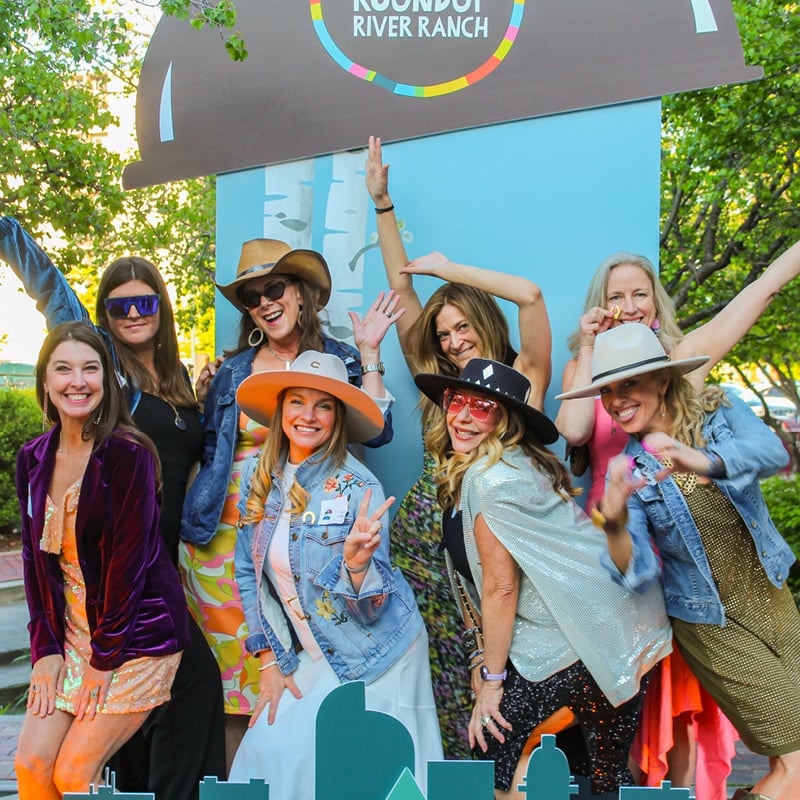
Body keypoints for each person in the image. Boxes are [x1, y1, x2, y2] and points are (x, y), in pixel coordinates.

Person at [555, 243, 800, 795]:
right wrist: (614, 522)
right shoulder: (631, 468)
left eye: (629, 384)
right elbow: (637, 571)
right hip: (710, 621)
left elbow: (771, 452)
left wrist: (701, 461)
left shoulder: (716, 408)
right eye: (607, 390)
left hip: (771, 598)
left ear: (663, 380)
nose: (616, 401)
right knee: (792, 765)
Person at [0, 216, 226, 798]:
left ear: (162, 308)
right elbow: (54, 296)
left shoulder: (177, 381)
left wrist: (207, 399)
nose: (133, 314)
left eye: (144, 302)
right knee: (168, 704)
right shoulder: (107, 374)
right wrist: (7, 234)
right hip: (108, 573)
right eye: (118, 306)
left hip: (162, 566)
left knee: (184, 697)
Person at [366, 135, 552, 757]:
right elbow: (404, 295)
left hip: (491, 569)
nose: (451, 341)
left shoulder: (522, 380)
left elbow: (531, 296)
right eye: (443, 333)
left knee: (504, 704)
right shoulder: (440, 387)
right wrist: (383, 205)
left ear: (482, 321)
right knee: (445, 713)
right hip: (425, 564)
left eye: (462, 326)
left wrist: (449, 272)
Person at [180, 237, 397, 765]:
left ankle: (299, 783)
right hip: (226, 540)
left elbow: (380, 432)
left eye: (274, 288)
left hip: (310, 538)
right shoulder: (234, 370)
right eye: (252, 297)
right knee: (240, 684)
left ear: (301, 293)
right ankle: (243, 788)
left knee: (307, 674)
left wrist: (370, 356)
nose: (265, 303)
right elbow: (208, 450)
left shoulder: (339, 359)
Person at [415, 357, 670, 798]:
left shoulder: (489, 480)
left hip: (584, 640)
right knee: (600, 776)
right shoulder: (508, 465)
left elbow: (501, 588)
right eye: (457, 401)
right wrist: (481, 659)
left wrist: (492, 682)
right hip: (620, 626)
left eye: (482, 408)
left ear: (506, 421)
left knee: (496, 747)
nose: (463, 416)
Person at [227, 351, 443, 796]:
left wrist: (358, 566)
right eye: (297, 401)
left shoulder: (359, 487)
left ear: (338, 417)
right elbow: (248, 570)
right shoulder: (257, 474)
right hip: (315, 649)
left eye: (323, 405)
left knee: (378, 779)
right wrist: (268, 659)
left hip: (377, 651)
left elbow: (371, 610)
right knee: (265, 755)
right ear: (281, 408)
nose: (308, 416)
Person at [14, 322, 191, 799]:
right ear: (45, 380)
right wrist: (45, 650)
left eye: (90, 369)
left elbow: (128, 569)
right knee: (31, 765)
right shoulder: (33, 458)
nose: (78, 381)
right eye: (63, 369)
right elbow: (33, 561)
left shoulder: (128, 456)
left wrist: (104, 659)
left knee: (74, 774)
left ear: (106, 379)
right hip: (70, 632)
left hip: (136, 635)